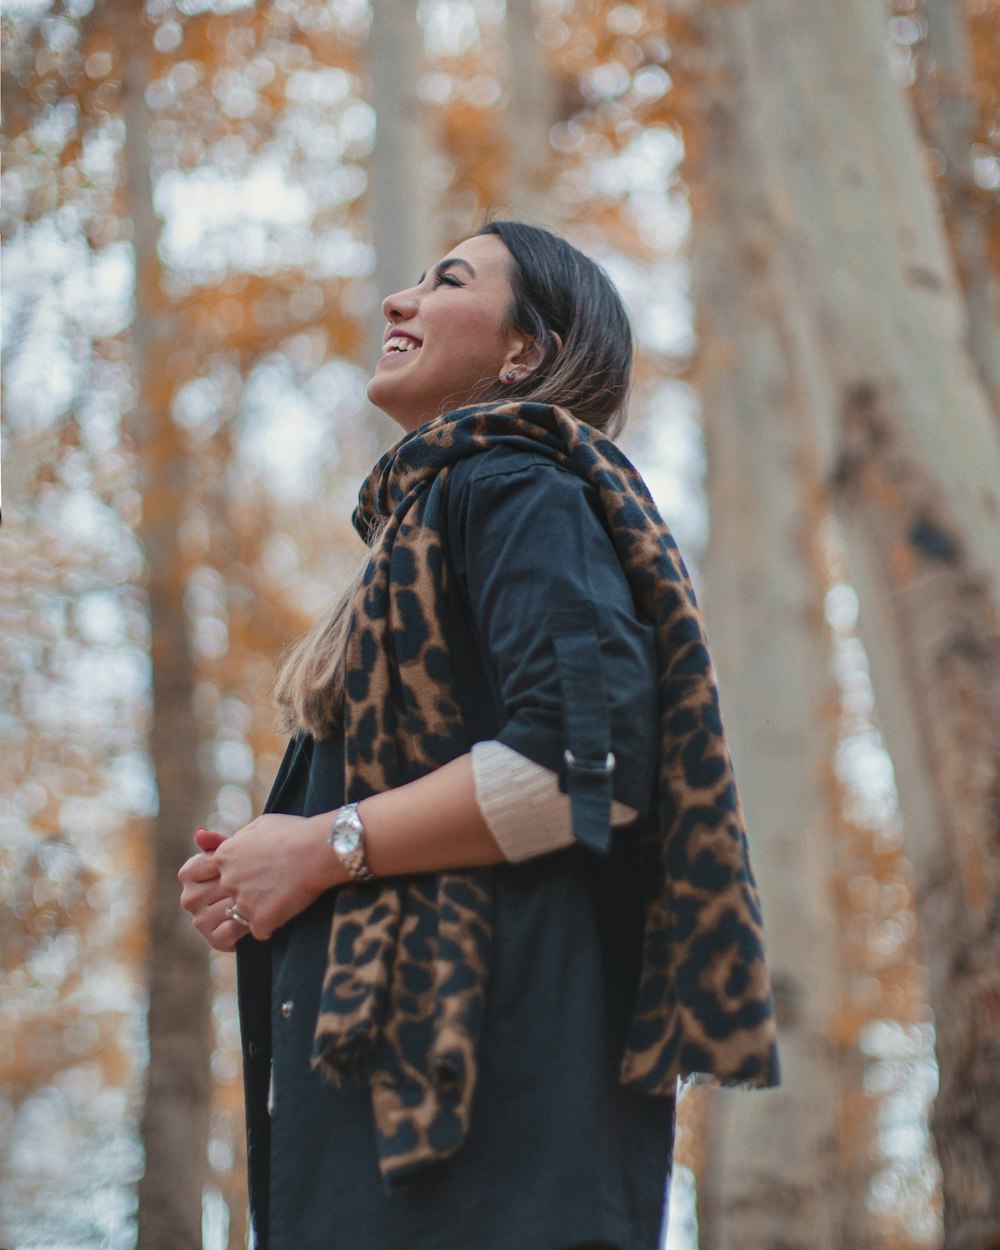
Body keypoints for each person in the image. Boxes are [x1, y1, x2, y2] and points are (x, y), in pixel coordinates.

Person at [179, 220, 778, 1250]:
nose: (396, 302)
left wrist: (325, 847)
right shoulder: (437, 512)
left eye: (445, 281)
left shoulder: (511, 484)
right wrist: (261, 870)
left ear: (525, 352)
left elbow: (579, 764)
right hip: (411, 1127)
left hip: (494, 1140)